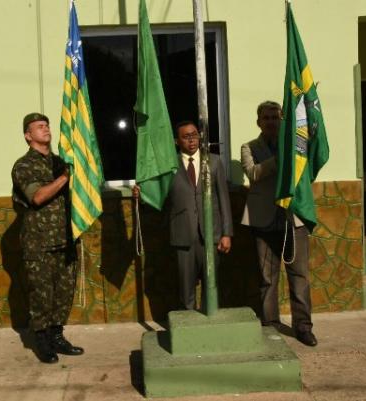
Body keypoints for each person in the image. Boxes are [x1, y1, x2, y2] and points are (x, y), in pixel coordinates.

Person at [240, 101, 317, 346]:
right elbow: (253, 173)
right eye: (267, 118)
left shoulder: (296, 146)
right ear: (258, 122)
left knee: (300, 278)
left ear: (282, 120)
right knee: (267, 278)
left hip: (293, 220)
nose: (272, 121)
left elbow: (309, 168)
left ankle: (303, 326)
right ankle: (270, 325)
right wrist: (281, 157)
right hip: (263, 221)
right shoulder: (248, 147)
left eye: (275, 117)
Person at [134, 121, 233, 311]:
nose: (192, 140)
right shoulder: (169, 167)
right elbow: (158, 197)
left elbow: (224, 200)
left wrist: (227, 233)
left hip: (211, 234)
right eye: (186, 137)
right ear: (177, 141)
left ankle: (209, 321)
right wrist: (143, 196)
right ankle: (188, 323)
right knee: (185, 286)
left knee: (211, 285)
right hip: (182, 235)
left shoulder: (213, 161)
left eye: (194, 135)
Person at [11, 112, 84, 363]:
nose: (46, 128)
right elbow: (38, 197)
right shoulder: (23, 166)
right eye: (39, 126)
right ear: (28, 136)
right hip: (39, 243)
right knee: (41, 294)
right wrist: (65, 177)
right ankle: (41, 341)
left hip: (64, 239)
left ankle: (57, 336)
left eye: (47, 125)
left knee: (63, 293)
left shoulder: (60, 162)